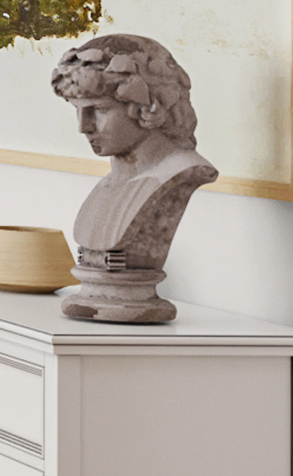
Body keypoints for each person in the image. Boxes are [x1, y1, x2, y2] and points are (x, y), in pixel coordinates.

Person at [49, 34, 217, 326]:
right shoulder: (108, 186)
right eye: (77, 110)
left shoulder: (179, 174)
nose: (83, 127)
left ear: (149, 107)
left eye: (99, 110)